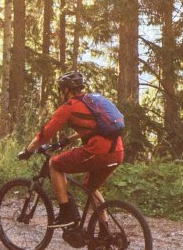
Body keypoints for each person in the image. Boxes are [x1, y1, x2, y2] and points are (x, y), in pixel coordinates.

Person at [19, 72, 124, 220]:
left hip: (98, 152)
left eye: (61, 89)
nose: (60, 92)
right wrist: (67, 139)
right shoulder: (91, 102)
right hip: (118, 151)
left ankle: (66, 213)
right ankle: (104, 232)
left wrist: (28, 150)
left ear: (66, 90)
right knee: (91, 187)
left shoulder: (69, 107)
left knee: (54, 164)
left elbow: (45, 134)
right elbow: (94, 128)